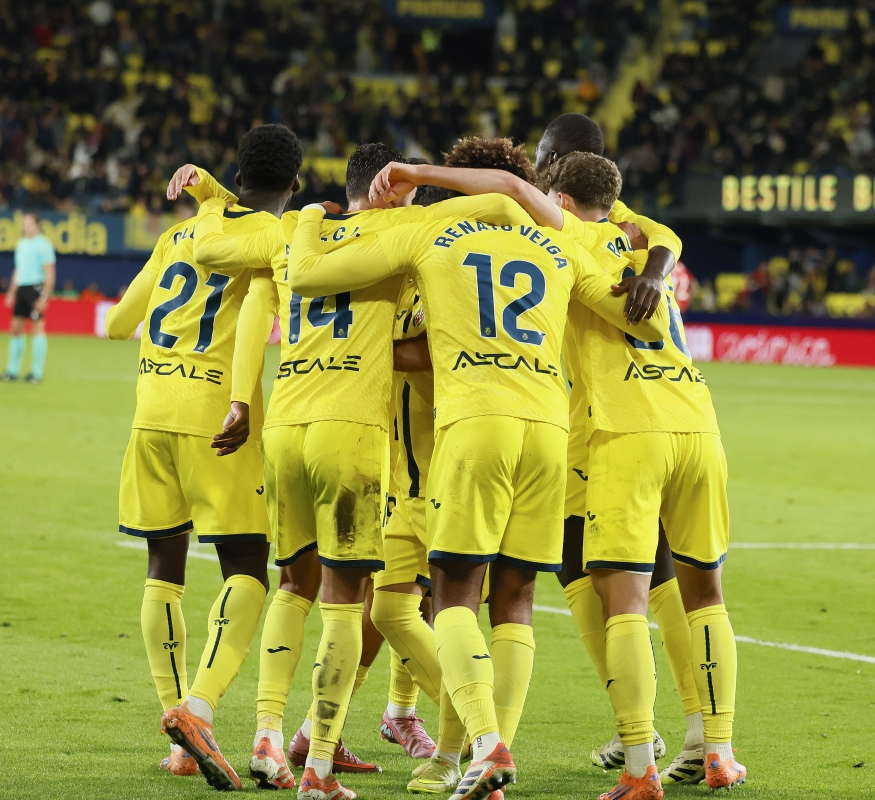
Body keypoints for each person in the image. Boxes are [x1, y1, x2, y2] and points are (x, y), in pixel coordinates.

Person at [288, 136, 672, 800]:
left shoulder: (430, 230)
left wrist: (310, 227)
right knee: (516, 601)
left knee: (454, 594)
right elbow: (646, 320)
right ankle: (487, 755)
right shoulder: (560, 243)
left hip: (476, 424)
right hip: (550, 430)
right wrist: (651, 278)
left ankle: (484, 744)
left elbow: (313, 276)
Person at [370, 149, 744, 799]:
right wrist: (658, 265)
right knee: (704, 592)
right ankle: (719, 749)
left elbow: (515, 192)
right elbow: (667, 238)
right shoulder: (639, 239)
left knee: (622, 599)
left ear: (559, 203)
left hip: (625, 430)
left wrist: (423, 177)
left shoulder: (566, 244)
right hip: (700, 421)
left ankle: (638, 766)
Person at [188, 144, 534, 799]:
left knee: (294, 584)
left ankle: (267, 732)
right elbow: (506, 201)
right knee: (356, 607)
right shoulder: (406, 231)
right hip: (358, 436)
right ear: (395, 190)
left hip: (287, 423)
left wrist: (210, 195)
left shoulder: (295, 227)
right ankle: (324, 764)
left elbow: (212, 251)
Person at [104, 123, 305, 791]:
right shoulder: (268, 239)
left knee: (163, 568)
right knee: (248, 568)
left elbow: (115, 322)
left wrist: (203, 203)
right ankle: (197, 709)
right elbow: (257, 312)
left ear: (237, 174)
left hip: (150, 416)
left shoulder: (177, 235)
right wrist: (242, 397)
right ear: (295, 184)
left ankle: (178, 741)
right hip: (216, 418)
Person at [532, 112, 709, 785]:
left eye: (545, 156)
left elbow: (664, 238)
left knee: (619, 573)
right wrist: (658, 269)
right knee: (601, 569)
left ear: (564, 164)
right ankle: (670, 727)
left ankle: (665, 729)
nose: (537, 164)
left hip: (603, 419)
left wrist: (656, 272)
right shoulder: (614, 220)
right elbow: (664, 239)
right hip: (623, 411)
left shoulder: (574, 216)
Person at [0, 212, 55, 383]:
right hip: (22, 289)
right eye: (24, 224)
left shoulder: (44, 245)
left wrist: (44, 297)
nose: (25, 227)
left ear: (38, 225)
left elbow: (50, 273)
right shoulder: (21, 244)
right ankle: (12, 371)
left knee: (37, 330)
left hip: (36, 288)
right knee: (15, 330)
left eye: (28, 224)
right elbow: (18, 270)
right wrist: (11, 292)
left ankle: (36, 373)